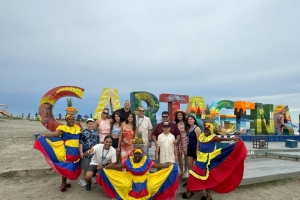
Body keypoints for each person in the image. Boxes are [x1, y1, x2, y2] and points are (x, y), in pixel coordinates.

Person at [182, 122, 247, 200]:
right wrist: (197, 153)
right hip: (200, 159)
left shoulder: (214, 138)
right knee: (194, 175)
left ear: (211, 130)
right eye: (205, 129)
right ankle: (191, 191)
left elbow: (222, 138)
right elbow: (198, 145)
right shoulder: (201, 136)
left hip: (208, 160)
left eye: (208, 130)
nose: (206, 131)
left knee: (206, 178)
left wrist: (232, 138)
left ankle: (208, 196)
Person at [96, 148, 179, 200]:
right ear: (133, 154)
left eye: (139, 154)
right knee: (122, 184)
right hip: (131, 179)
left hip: (146, 179)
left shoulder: (146, 161)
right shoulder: (129, 161)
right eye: (136, 154)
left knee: (153, 185)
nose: (137, 156)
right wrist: (105, 167)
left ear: (142, 155)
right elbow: (118, 166)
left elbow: (158, 165)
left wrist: (169, 165)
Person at [33, 107, 81, 192]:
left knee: (74, 165)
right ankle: (63, 183)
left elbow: (82, 136)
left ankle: (66, 182)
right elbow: (55, 134)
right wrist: (43, 135)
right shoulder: (63, 128)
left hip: (76, 150)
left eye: (73, 119)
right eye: (69, 119)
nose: (71, 120)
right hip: (68, 150)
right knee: (66, 165)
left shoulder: (78, 127)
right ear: (66, 120)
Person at [78, 118, 99, 187]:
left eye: (92, 124)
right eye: (89, 124)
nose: (91, 125)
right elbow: (81, 143)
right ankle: (81, 179)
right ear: (87, 124)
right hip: (85, 152)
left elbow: (98, 142)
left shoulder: (96, 132)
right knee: (84, 166)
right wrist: (81, 152)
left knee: (92, 166)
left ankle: (91, 177)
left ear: (94, 124)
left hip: (94, 152)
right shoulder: (84, 132)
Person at [184, 114, 202, 185]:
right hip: (189, 148)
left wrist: (197, 150)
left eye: (191, 119)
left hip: (195, 149)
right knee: (189, 164)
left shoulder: (196, 128)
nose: (190, 120)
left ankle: (198, 180)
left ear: (194, 120)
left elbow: (199, 140)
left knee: (197, 166)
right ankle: (190, 179)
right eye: (188, 119)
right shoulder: (189, 129)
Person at [174, 110, 188, 179]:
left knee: (186, 156)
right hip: (179, 140)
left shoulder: (186, 123)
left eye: (180, 115)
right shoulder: (176, 123)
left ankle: (186, 171)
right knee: (179, 156)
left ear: (183, 116)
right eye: (178, 115)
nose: (179, 116)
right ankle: (181, 171)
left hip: (185, 140)